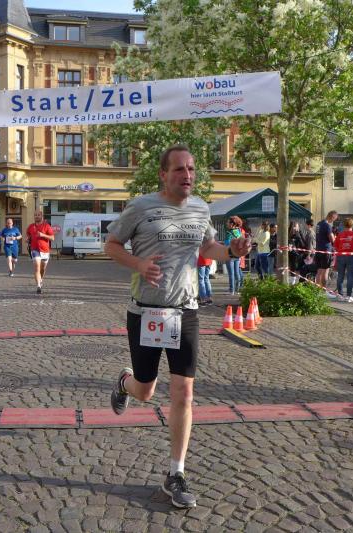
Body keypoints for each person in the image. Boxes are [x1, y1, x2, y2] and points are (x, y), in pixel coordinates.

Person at [105, 145, 252, 509]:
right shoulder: (140, 207)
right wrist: (139, 264)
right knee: (145, 391)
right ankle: (125, 383)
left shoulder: (201, 208)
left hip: (185, 311)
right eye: (179, 169)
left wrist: (232, 252)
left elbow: (209, 247)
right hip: (146, 311)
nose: (187, 175)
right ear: (163, 174)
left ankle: (176, 473)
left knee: (184, 393)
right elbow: (111, 244)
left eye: (191, 169)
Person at [27, 210, 54, 294]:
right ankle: (38, 286)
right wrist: (28, 239)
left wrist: (43, 235)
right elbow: (28, 235)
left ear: (42, 216)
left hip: (45, 250)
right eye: (35, 215)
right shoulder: (31, 226)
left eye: (38, 215)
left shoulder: (47, 226)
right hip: (35, 249)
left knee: (43, 269)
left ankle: (41, 279)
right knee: (37, 267)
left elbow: (52, 238)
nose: (37, 216)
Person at [334, 218, 353, 302]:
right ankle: (349, 296)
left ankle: (340, 295)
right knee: (350, 276)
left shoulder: (340, 235)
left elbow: (335, 246)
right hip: (351, 257)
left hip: (341, 256)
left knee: (340, 276)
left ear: (343, 225)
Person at [315, 210, 338, 289]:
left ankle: (317, 290)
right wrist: (335, 238)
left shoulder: (319, 224)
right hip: (326, 250)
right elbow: (332, 239)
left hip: (318, 249)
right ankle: (324, 290)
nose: (333, 221)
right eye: (334, 219)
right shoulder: (327, 225)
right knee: (325, 271)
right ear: (332, 217)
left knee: (319, 271)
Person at [224, 216, 243, 294]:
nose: (227, 223)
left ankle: (231, 290)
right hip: (237, 255)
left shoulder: (229, 232)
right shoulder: (238, 231)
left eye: (228, 222)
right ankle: (238, 290)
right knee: (237, 273)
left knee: (231, 274)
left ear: (232, 224)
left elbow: (227, 244)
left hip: (230, 255)